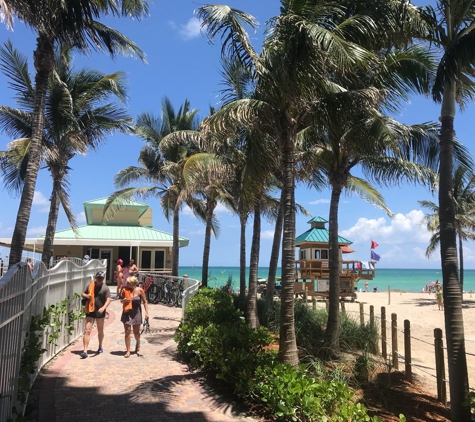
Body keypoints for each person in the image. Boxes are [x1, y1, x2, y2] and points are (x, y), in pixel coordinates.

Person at [80, 271, 111, 358]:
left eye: (101, 278)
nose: (99, 279)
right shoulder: (90, 285)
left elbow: (108, 299)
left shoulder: (105, 288)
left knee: (100, 330)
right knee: (87, 330)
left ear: (103, 278)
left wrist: (103, 308)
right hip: (90, 310)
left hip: (100, 311)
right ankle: (85, 350)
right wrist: (86, 296)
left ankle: (100, 346)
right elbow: (83, 293)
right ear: (95, 278)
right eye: (98, 278)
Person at [120, 276, 149, 358]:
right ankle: (128, 350)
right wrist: (123, 301)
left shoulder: (140, 290)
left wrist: (147, 313)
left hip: (136, 313)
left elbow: (145, 302)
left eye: (128, 283)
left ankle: (138, 342)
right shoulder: (125, 290)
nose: (127, 284)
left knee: (136, 333)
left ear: (133, 283)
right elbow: (121, 300)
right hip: (127, 313)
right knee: (127, 332)